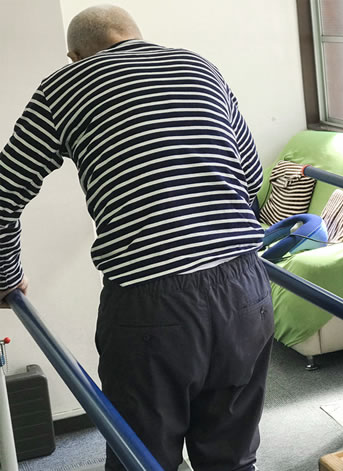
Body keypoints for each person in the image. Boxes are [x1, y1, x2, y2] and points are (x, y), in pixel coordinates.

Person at [0, 5, 273, 470]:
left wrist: (7, 278)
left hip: (152, 302)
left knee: (143, 459)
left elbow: (3, 193)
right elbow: (250, 176)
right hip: (245, 288)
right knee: (232, 457)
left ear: (74, 55)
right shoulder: (199, 66)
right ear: (137, 36)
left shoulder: (63, 86)